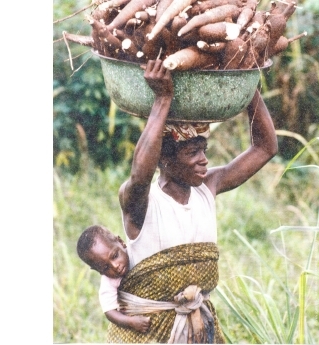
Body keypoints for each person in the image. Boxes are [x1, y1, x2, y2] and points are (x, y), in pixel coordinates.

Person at [106, 59, 278, 344]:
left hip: (197, 330)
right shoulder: (141, 202)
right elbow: (139, 174)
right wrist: (163, 98)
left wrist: (250, 87)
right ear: (165, 159)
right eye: (192, 152)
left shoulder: (207, 187)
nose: (204, 159)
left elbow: (265, 147)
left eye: (203, 149)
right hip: (149, 332)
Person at [76, 225, 150, 334]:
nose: (115, 266)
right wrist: (131, 322)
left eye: (115, 256)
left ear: (121, 242)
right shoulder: (108, 282)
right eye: (105, 267)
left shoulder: (137, 251)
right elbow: (109, 311)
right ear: (98, 271)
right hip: (137, 315)